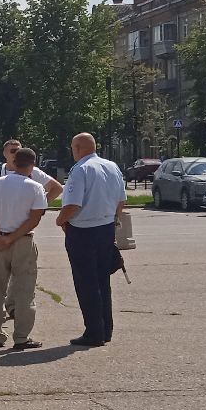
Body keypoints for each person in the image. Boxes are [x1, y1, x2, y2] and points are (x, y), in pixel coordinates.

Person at [0, 139, 64, 322]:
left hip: (22, 230)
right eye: (12, 150)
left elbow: (56, 188)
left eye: (18, 150)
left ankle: (13, 306)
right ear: (5, 154)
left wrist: (38, 206)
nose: (16, 153)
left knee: (19, 273)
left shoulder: (34, 174)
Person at [56, 132, 126, 347]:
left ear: (77, 148)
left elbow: (73, 205)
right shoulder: (111, 166)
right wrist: (112, 220)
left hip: (83, 231)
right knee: (102, 281)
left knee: (86, 283)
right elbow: (121, 200)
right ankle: (106, 329)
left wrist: (60, 220)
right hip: (105, 229)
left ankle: (94, 331)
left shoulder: (81, 170)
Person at [0, 147, 48, 350]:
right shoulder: (35, 187)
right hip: (23, 241)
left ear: (14, 162)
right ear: (33, 165)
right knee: (24, 290)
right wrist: (13, 237)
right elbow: (34, 218)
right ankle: (21, 337)